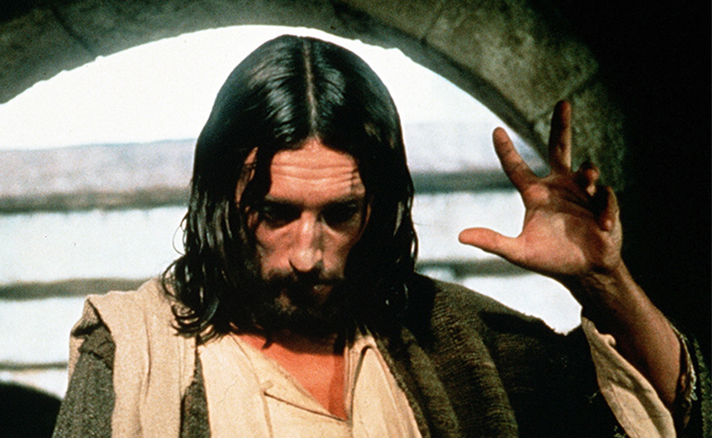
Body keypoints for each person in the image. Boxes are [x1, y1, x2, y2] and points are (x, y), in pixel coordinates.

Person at [52, 35, 706, 437]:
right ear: (223, 199)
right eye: (275, 213)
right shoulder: (134, 352)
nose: (306, 253)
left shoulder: (459, 342)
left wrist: (604, 282)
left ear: (380, 209)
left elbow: (668, 416)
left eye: (340, 215)